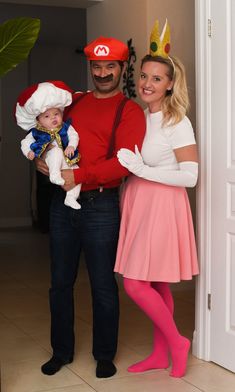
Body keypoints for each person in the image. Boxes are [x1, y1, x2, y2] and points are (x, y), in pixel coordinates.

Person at [35, 36, 146, 378]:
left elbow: (125, 163)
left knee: (101, 283)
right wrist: (41, 158)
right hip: (61, 205)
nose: (102, 73)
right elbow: (48, 131)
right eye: (96, 67)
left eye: (109, 66)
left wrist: (78, 175)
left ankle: (104, 354)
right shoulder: (76, 103)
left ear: (121, 68)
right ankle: (62, 351)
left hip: (100, 205)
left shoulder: (129, 111)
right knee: (59, 282)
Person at [114, 19, 199, 378]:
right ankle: (160, 353)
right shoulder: (137, 115)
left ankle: (178, 343)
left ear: (170, 85)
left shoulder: (176, 121)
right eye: (144, 76)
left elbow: (191, 177)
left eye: (157, 78)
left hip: (163, 206)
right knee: (155, 282)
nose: (148, 83)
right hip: (137, 201)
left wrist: (143, 171)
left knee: (135, 284)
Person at [15, 81, 81, 210]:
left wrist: (71, 146)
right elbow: (25, 142)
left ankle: (71, 197)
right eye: (47, 116)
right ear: (38, 120)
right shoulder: (36, 132)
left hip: (67, 158)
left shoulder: (66, 127)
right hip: (51, 158)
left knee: (78, 173)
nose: (53, 118)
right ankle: (54, 175)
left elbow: (74, 135)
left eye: (56, 114)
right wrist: (29, 152)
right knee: (55, 152)